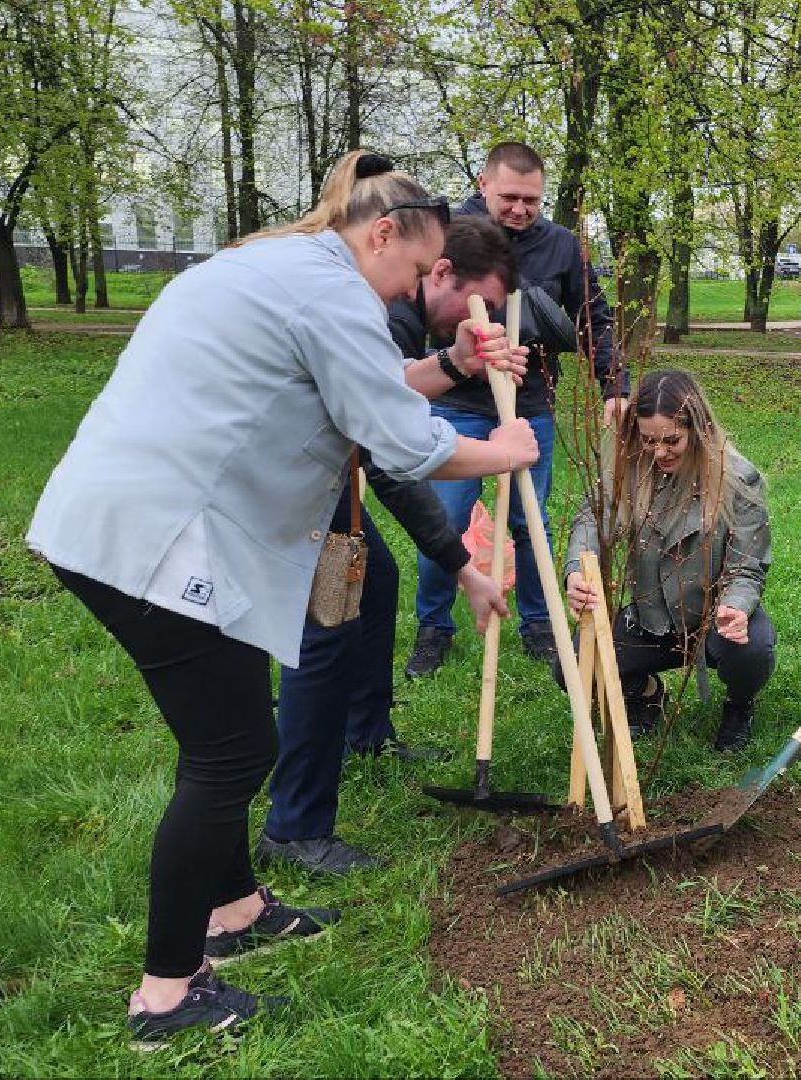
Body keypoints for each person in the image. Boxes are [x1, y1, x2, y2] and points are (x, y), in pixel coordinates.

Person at [27, 150, 539, 1047]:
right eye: (418, 271)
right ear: (383, 233)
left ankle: (234, 909)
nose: (413, 291)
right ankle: (165, 995)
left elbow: (360, 399)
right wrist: (506, 451)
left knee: (220, 739)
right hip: (153, 536)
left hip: (127, 517)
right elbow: (400, 442)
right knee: (231, 752)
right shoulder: (334, 290)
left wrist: (453, 362)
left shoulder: (285, 267)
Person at [259, 217, 522, 877]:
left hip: (325, 482)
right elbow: (392, 460)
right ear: (433, 272)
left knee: (370, 587)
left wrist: (458, 361)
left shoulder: (402, 317)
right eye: (471, 302)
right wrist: (465, 565)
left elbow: (392, 402)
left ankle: (365, 733)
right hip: (291, 489)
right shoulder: (375, 309)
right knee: (326, 628)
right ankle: (294, 826)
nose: (477, 318)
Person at [405, 141, 629, 677]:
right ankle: (433, 626)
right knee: (446, 516)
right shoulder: (451, 235)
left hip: (530, 405)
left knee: (532, 521)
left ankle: (538, 622)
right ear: (483, 184)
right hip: (456, 402)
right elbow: (417, 311)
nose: (520, 210)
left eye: (531, 200)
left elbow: (593, 319)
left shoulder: (560, 247)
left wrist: (613, 386)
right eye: (509, 197)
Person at [563, 369, 774, 752]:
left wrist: (735, 608)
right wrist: (577, 571)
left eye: (672, 440)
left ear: (699, 430)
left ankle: (739, 705)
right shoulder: (626, 471)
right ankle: (644, 690)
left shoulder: (738, 478)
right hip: (649, 621)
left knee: (754, 647)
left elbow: (747, 565)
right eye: (648, 441)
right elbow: (591, 520)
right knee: (572, 664)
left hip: (712, 619)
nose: (659, 452)